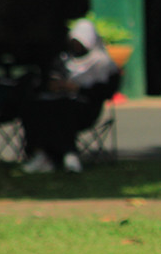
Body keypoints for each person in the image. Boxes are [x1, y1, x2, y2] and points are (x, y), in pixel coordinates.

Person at [20, 18, 120, 173]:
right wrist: (55, 85)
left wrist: (78, 89)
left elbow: (106, 91)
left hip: (86, 109)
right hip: (57, 102)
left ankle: (69, 154)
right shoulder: (64, 59)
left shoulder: (102, 63)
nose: (76, 46)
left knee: (63, 109)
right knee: (35, 107)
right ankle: (40, 154)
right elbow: (50, 80)